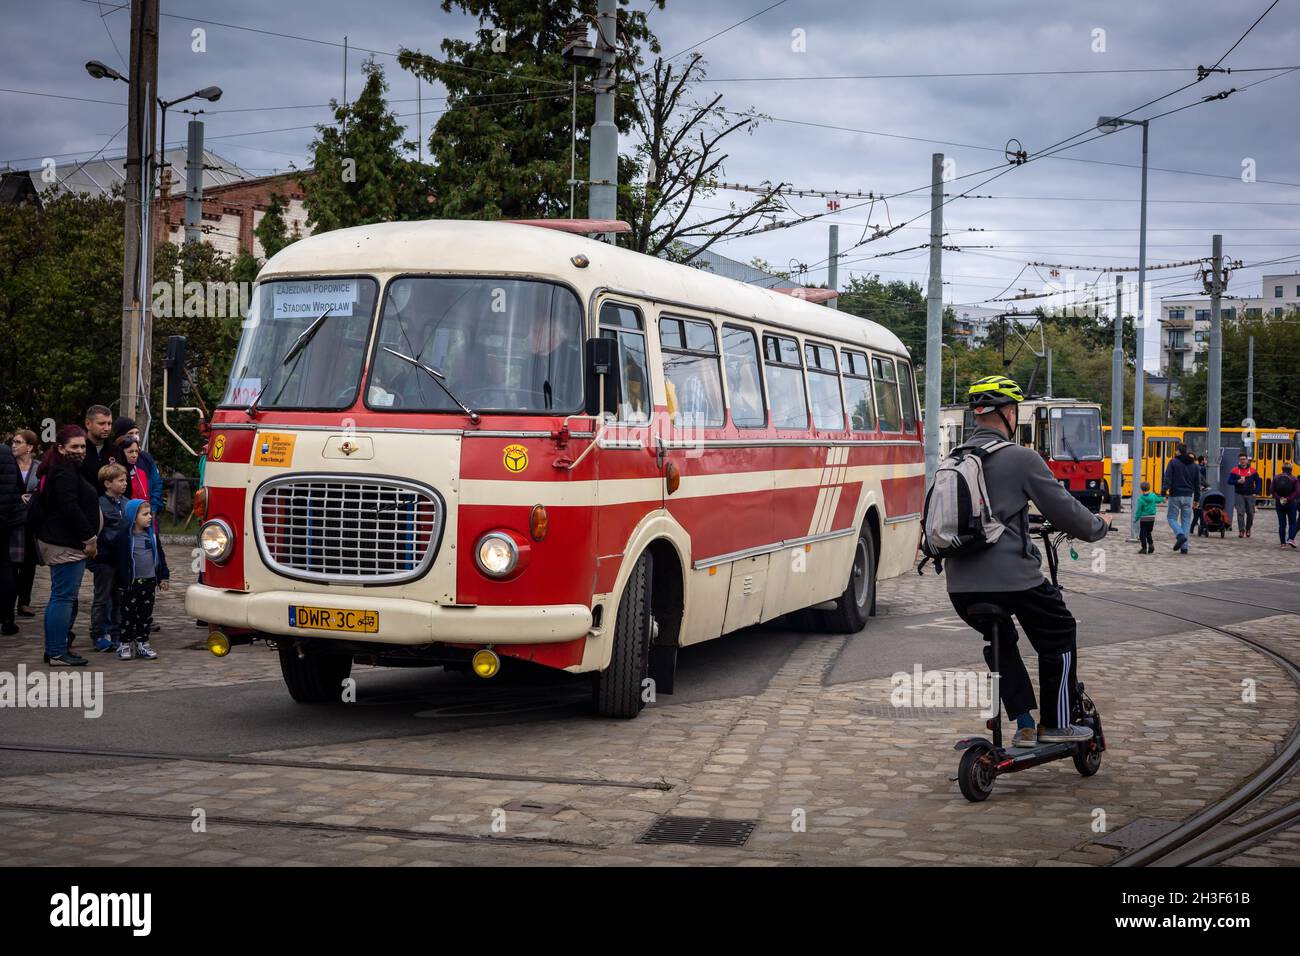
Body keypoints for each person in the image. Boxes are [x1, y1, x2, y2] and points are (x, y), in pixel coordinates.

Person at [945, 375, 1112, 746]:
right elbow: (1066, 511)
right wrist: (1099, 526)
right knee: (1059, 631)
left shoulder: (953, 459)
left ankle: (1023, 722)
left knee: (1000, 641)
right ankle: (1056, 723)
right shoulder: (1021, 458)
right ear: (1008, 413)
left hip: (961, 588)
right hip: (1013, 582)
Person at [35, 425, 101, 666]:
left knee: (62, 596)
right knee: (62, 597)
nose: (80, 450)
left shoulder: (67, 468)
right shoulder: (63, 472)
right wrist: (90, 539)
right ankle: (56, 651)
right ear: (61, 448)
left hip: (64, 542)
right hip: (65, 545)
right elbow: (70, 508)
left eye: (83, 446)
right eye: (74, 446)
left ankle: (55, 647)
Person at [110, 498, 168, 661]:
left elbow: (160, 557)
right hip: (130, 584)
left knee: (145, 616)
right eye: (145, 514)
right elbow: (118, 560)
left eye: (150, 513)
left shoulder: (152, 536)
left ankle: (143, 643)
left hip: (149, 582)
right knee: (127, 616)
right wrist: (120, 580)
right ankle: (125, 644)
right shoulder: (124, 537)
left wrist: (163, 577)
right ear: (133, 517)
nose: (150, 517)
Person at [91, 463, 129, 652]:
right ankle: (99, 633)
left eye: (125, 480)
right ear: (107, 483)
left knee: (119, 597)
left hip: (122, 559)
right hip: (105, 559)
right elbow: (100, 532)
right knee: (102, 597)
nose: (125, 484)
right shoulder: (99, 504)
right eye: (120, 480)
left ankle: (116, 631)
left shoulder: (126, 503)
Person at [10, 429, 40, 619]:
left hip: (32, 521)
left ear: (29, 447)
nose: (14, 445)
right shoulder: (8, 465)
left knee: (29, 563)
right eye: (13, 441)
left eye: (18, 442)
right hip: (12, 521)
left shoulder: (39, 467)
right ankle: (8, 601)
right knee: (11, 564)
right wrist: (17, 497)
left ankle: (24, 602)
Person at [0, 439, 24, 636]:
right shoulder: (6, 452)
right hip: (7, 518)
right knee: (6, 567)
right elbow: (19, 484)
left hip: (6, 517)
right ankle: (7, 617)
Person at [1162, 442, 1200, 555]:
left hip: (1175, 495)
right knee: (1186, 521)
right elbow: (1197, 483)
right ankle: (1184, 548)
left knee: (1171, 518)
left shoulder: (1173, 462)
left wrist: (1164, 491)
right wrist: (1197, 499)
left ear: (1178, 451)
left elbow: (1167, 478)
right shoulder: (1194, 465)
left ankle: (1180, 535)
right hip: (1189, 496)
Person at [80, 405, 114, 488]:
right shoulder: (78, 451)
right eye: (101, 423)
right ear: (88, 424)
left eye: (109, 423)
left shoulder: (117, 451)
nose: (107, 428)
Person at [1230, 452, 1262, 538]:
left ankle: (1248, 528)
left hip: (1250, 495)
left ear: (1247, 460)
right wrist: (1237, 481)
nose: (1242, 461)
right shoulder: (1234, 470)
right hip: (1239, 494)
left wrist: (1256, 491)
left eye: (1244, 459)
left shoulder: (1253, 471)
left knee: (1250, 513)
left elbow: (1258, 482)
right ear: (1239, 460)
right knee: (1240, 513)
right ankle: (1241, 530)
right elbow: (1229, 481)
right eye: (1241, 459)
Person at [1273, 462, 1299, 550]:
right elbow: (1297, 491)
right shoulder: (1294, 479)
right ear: (1291, 469)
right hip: (1291, 503)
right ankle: (1291, 539)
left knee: (1282, 524)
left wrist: (1279, 498)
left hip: (1279, 504)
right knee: (1292, 523)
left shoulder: (1276, 478)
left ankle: (1282, 544)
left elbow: (1272, 491)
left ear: (1282, 468)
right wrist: (1288, 499)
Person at [1135, 481, 1164, 554]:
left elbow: (1139, 510)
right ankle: (1151, 545)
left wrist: (1136, 518)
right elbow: (1159, 500)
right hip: (1152, 518)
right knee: (1148, 532)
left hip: (1144, 519)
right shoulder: (1153, 496)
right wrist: (1163, 499)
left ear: (1141, 489)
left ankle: (1144, 548)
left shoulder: (1141, 499)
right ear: (1149, 488)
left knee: (1142, 534)